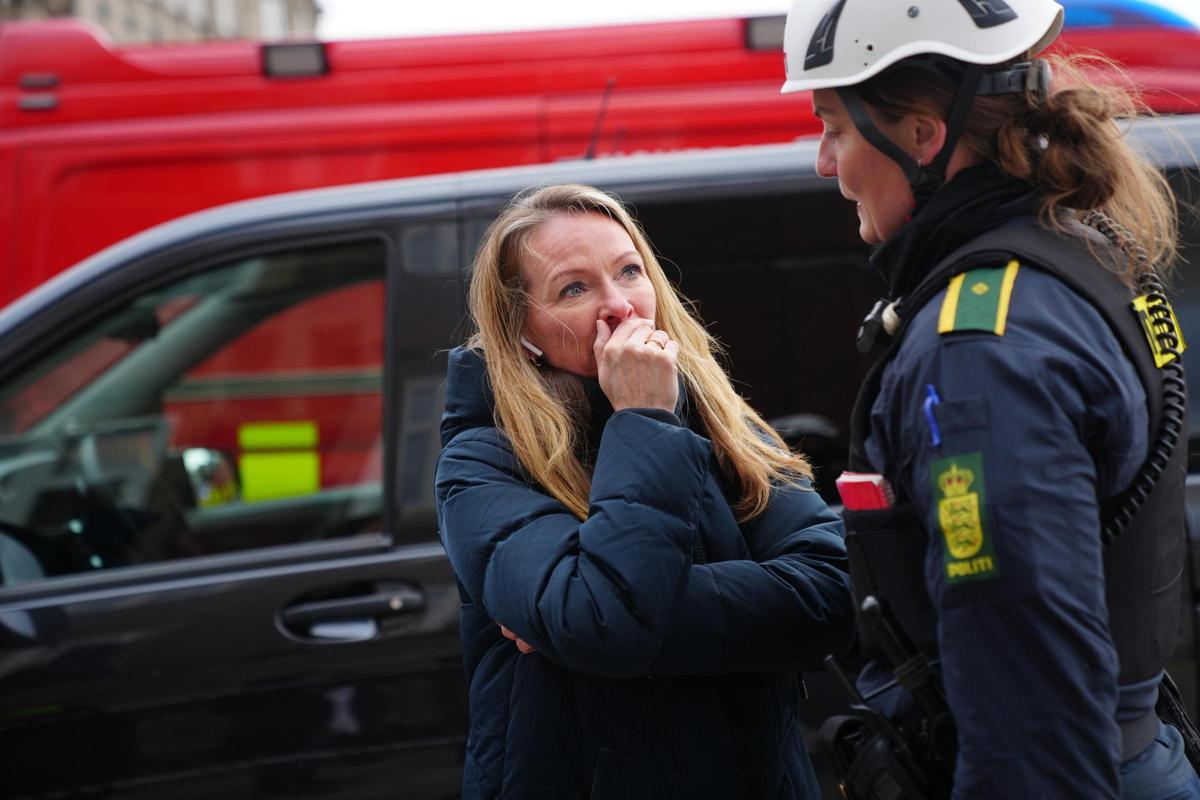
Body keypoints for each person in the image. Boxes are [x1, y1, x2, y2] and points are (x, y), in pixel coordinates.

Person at [780, 0, 1199, 797]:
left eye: (833, 126)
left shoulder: (978, 351)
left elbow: (1029, 703)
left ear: (921, 136)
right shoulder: (1076, 257)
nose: (824, 164)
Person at [434, 183, 855, 799]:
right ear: (521, 330)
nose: (619, 306)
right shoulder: (483, 459)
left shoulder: (717, 419)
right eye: (573, 289)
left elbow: (829, 594)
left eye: (629, 272)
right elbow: (605, 624)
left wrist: (593, 617)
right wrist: (644, 420)